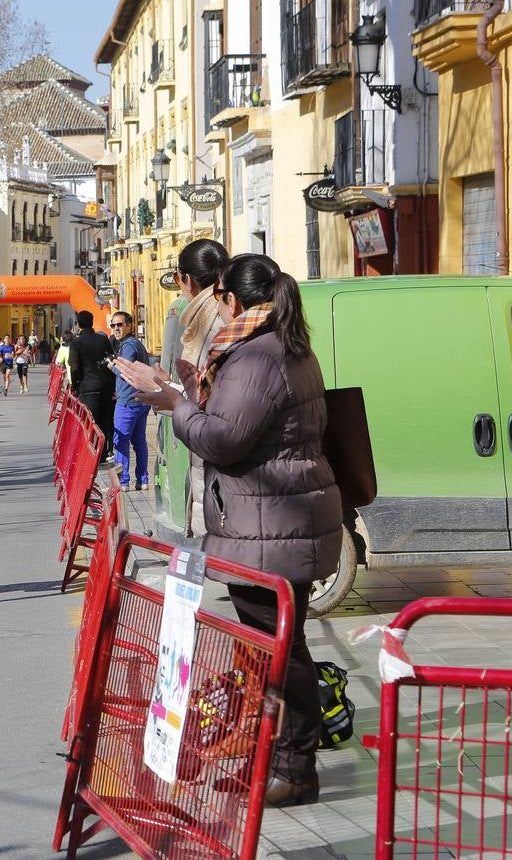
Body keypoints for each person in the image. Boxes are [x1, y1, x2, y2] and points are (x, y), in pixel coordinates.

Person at [114, 253, 341, 808]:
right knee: (279, 649)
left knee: (281, 654)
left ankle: (293, 768)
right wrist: (183, 391)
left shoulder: (257, 356)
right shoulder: (282, 346)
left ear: (233, 302)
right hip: (272, 523)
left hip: (269, 527)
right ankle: (276, 762)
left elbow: (223, 438)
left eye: (219, 299)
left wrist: (171, 401)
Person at [175, 238, 230, 536]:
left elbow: (210, 396)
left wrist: (174, 399)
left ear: (187, 279)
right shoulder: (203, 318)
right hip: (209, 461)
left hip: (218, 466)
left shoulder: (215, 323)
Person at [108, 312, 150, 490]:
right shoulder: (137, 344)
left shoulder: (128, 346)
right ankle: (143, 479)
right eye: (113, 326)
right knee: (139, 441)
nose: (116, 329)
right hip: (142, 400)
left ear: (130, 325)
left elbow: (128, 372)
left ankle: (123, 482)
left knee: (121, 441)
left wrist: (111, 366)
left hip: (128, 402)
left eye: (120, 325)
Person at [67, 311, 115, 446]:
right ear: (92, 322)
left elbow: (74, 367)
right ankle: (106, 450)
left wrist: (75, 385)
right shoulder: (102, 340)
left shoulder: (76, 343)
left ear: (79, 324)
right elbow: (111, 360)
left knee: (90, 422)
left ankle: (93, 451)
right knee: (105, 420)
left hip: (87, 387)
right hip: (105, 386)